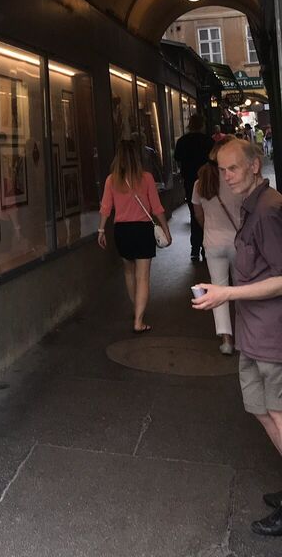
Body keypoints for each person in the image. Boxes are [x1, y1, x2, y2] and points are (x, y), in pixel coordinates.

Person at [192, 139, 282, 537]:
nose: (227, 176)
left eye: (233, 168)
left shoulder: (268, 210)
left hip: (272, 334)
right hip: (253, 332)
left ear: (254, 165)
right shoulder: (252, 205)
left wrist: (226, 293)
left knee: (278, 413)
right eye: (222, 169)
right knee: (262, 410)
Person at [98, 140, 171, 333]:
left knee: (129, 272)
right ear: (137, 158)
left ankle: (136, 308)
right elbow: (157, 207)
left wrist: (101, 230)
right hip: (143, 230)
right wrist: (166, 229)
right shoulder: (146, 178)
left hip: (122, 231)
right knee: (143, 276)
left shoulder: (111, 180)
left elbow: (105, 208)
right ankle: (139, 320)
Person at [191, 143, 242, 355]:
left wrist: (209, 229)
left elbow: (198, 214)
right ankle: (245, 335)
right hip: (238, 242)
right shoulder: (234, 180)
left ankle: (226, 340)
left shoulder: (200, 183)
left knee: (218, 290)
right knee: (241, 289)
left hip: (213, 243)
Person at [174, 113, 213, 261]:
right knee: (208, 213)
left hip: (190, 182)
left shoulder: (183, 141)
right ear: (202, 125)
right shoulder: (208, 141)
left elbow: (177, 158)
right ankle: (206, 247)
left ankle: (195, 248)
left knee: (194, 213)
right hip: (207, 181)